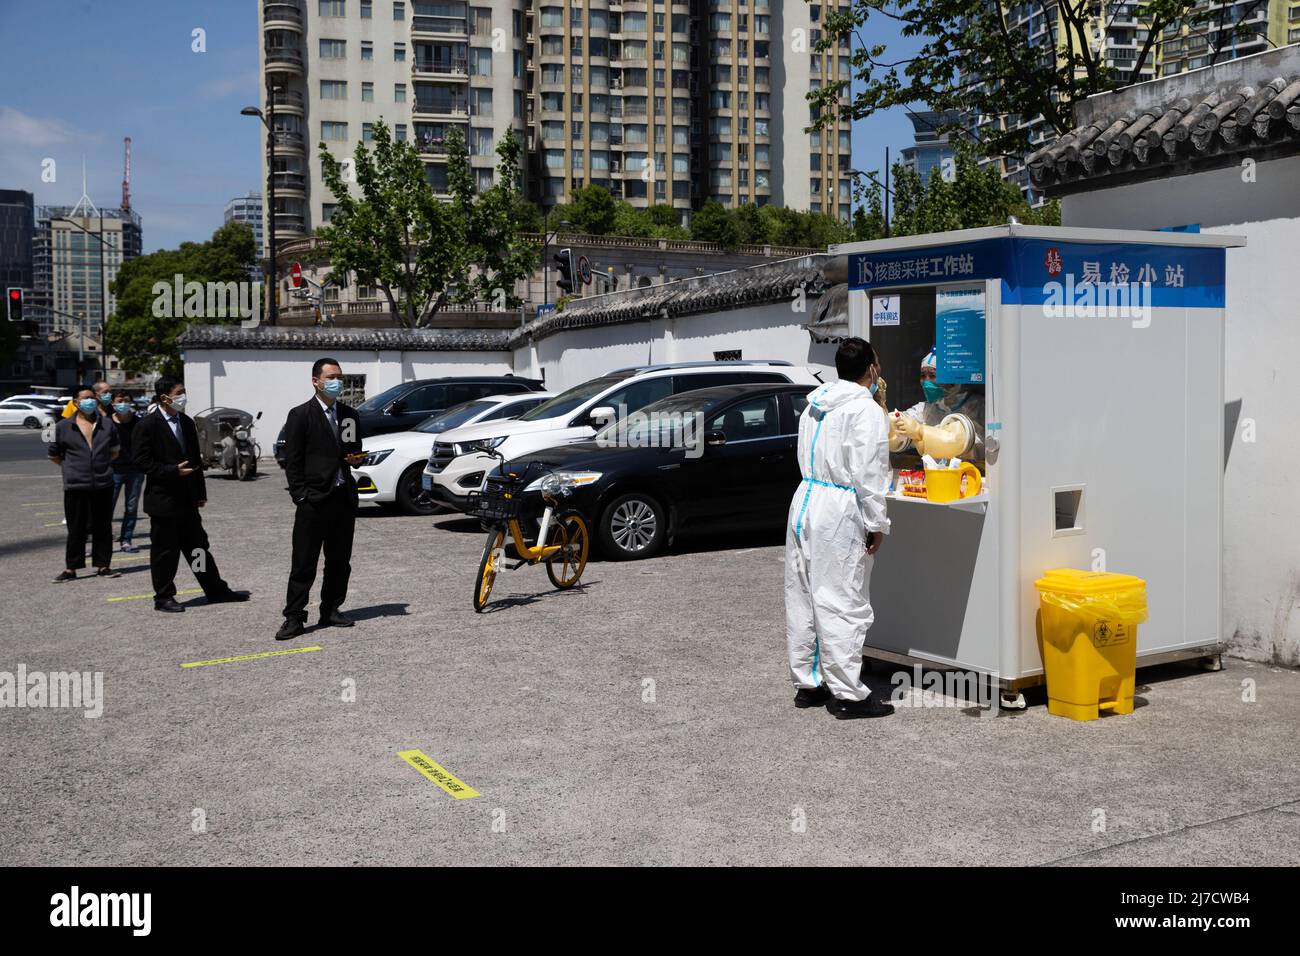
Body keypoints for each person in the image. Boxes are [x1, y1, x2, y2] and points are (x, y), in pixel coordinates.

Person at [785, 337, 894, 719]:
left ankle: (809, 683)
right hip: (840, 508)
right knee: (842, 597)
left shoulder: (814, 406)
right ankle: (849, 694)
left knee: (803, 593)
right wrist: (876, 522)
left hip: (806, 499)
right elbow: (869, 473)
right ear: (872, 367)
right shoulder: (864, 411)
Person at [133, 376, 248, 612]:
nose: (183, 396)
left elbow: (195, 461)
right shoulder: (148, 425)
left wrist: (200, 492)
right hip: (163, 500)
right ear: (164, 397)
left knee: (197, 547)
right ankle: (163, 596)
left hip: (187, 501)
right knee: (165, 551)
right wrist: (171, 471)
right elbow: (141, 461)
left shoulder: (185, 422)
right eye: (179, 392)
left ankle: (214, 589)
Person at [277, 358, 365, 641]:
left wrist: (354, 458)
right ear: (316, 380)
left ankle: (331, 609)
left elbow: (352, 450)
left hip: (342, 497)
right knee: (304, 562)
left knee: (340, 561)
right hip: (313, 500)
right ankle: (294, 617)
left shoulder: (350, 415)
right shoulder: (300, 415)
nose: (336, 381)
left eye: (339, 376)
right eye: (330, 376)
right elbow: (293, 461)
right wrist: (300, 495)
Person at [48, 387, 122, 582]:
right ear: (75, 402)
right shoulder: (63, 426)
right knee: (76, 527)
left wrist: (101, 466)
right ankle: (71, 568)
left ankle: (103, 565)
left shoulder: (107, 424)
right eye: (85, 398)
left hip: (103, 483)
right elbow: (54, 455)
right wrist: (72, 468)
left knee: (103, 527)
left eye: (92, 398)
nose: (90, 401)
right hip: (76, 484)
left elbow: (114, 451)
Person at [109, 390, 144, 553]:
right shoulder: (106, 423)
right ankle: (103, 541)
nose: (123, 403)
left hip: (135, 471)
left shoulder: (139, 423)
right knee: (107, 507)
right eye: (119, 400)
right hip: (112, 470)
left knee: (131, 507)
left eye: (126, 400)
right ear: (113, 403)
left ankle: (126, 540)